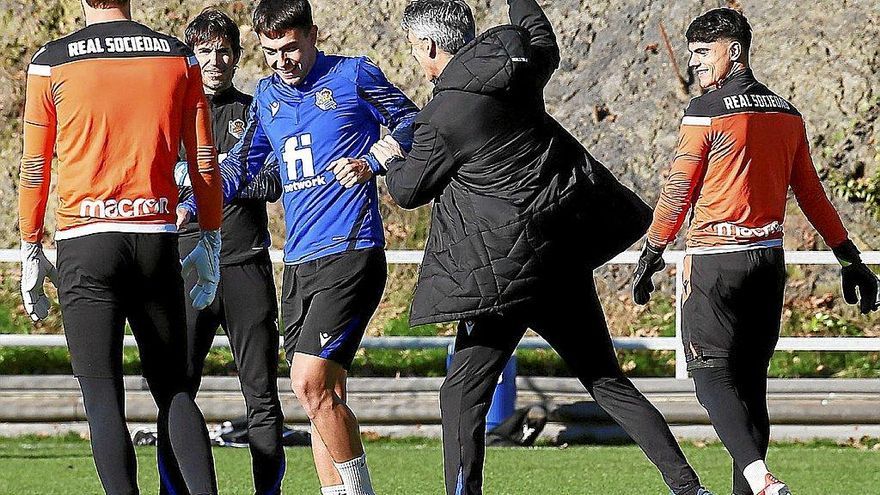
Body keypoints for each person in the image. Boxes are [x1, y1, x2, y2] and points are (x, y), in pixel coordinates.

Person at [373, 1, 712, 494]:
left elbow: (407, 191)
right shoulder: (519, 70)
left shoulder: (443, 115)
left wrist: (390, 156)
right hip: (558, 260)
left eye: (414, 48)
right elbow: (541, 35)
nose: (415, 58)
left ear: (427, 45)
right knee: (606, 381)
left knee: (461, 395)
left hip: (502, 275)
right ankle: (689, 488)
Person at [630, 8, 880, 495]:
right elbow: (811, 193)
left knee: (709, 380)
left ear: (735, 51)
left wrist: (652, 250)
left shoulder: (706, 112)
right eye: (693, 52)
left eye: (705, 52)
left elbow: (679, 188)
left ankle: (758, 477)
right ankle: (753, 484)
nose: (695, 63)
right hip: (767, 262)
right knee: (751, 389)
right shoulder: (787, 113)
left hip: (714, 261)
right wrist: (849, 257)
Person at [177, 1, 418, 493]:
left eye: (290, 48)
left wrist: (376, 158)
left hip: (350, 248)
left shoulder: (353, 75)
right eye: (271, 52)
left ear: (312, 35)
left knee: (308, 382)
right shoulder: (266, 96)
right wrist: (197, 203)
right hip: (299, 261)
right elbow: (244, 167)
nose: (282, 60)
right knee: (321, 397)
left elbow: (414, 122)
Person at [18, 1, 222, 494]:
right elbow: (204, 159)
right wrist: (212, 236)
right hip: (154, 238)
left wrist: (29, 245)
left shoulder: (51, 61)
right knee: (174, 391)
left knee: (102, 398)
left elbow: (34, 165)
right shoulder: (178, 56)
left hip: (85, 242)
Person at [158, 9, 286, 495]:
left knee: (261, 395)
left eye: (224, 50)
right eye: (204, 50)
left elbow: (273, 180)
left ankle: (267, 492)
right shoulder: (166, 115)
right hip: (185, 268)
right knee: (176, 393)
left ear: (237, 55)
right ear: (190, 55)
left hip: (244, 266)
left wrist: (224, 179)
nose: (215, 60)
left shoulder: (257, 111)